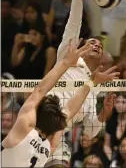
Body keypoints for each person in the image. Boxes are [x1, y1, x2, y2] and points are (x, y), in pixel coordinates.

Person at [1, 38, 119, 167]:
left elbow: (40, 90)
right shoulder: (48, 147)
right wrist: (91, 83)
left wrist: (66, 62)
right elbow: (68, 111)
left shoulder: (23, 128)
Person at [46, 0, 119, 166]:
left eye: (100, 45)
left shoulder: (93, 87)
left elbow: (90, 130)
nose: (96, 45)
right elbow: (74, 22)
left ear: (103, 57)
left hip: (59, 137)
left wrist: (105, 113)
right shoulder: (68, 56)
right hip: (37, 124)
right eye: (92, 42)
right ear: (81, 46)